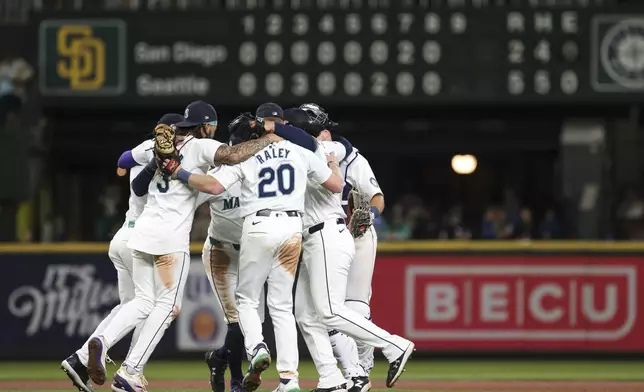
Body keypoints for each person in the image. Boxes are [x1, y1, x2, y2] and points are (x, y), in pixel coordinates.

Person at [85, 101, 280, 392]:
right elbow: (230, 154)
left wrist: (136, 163)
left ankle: (103, 340)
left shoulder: (155, 145)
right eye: (210, 125)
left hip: (142, 234)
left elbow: (126, 162)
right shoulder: (200, 146)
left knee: (142, 302)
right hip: (170, 240)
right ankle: (131, 371)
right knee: (167, 306)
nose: (212, 130)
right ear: (203, 126)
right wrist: (267, 139)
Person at [165, 102, 344, 392]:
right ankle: (289, 380)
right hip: (292, 230)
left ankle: (257, 346)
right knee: (282, 307)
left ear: (258, 124)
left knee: (247, 300)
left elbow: (212, 186)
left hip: (258, 227)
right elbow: (336, 186)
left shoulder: (248, 155)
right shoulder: (301, 151)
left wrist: (180, 173)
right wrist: (333, 162)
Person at [288, 107, 414, 391]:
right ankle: (343, 377)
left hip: (351, 232)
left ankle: (376, 359)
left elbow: (376, 197)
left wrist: (369, 213)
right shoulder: (309, 150)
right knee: (308, 314)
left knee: (347, 307)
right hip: (316, 236)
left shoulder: (342, 153)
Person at [59, 113, 182, 392]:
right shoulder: (174, 157)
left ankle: (79, 360)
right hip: (145, 239)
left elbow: (122, 161)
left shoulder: (142, 149)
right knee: (152, 305)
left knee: (131, 307)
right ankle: (126, 367)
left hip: (124, 235)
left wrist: (123, 164)